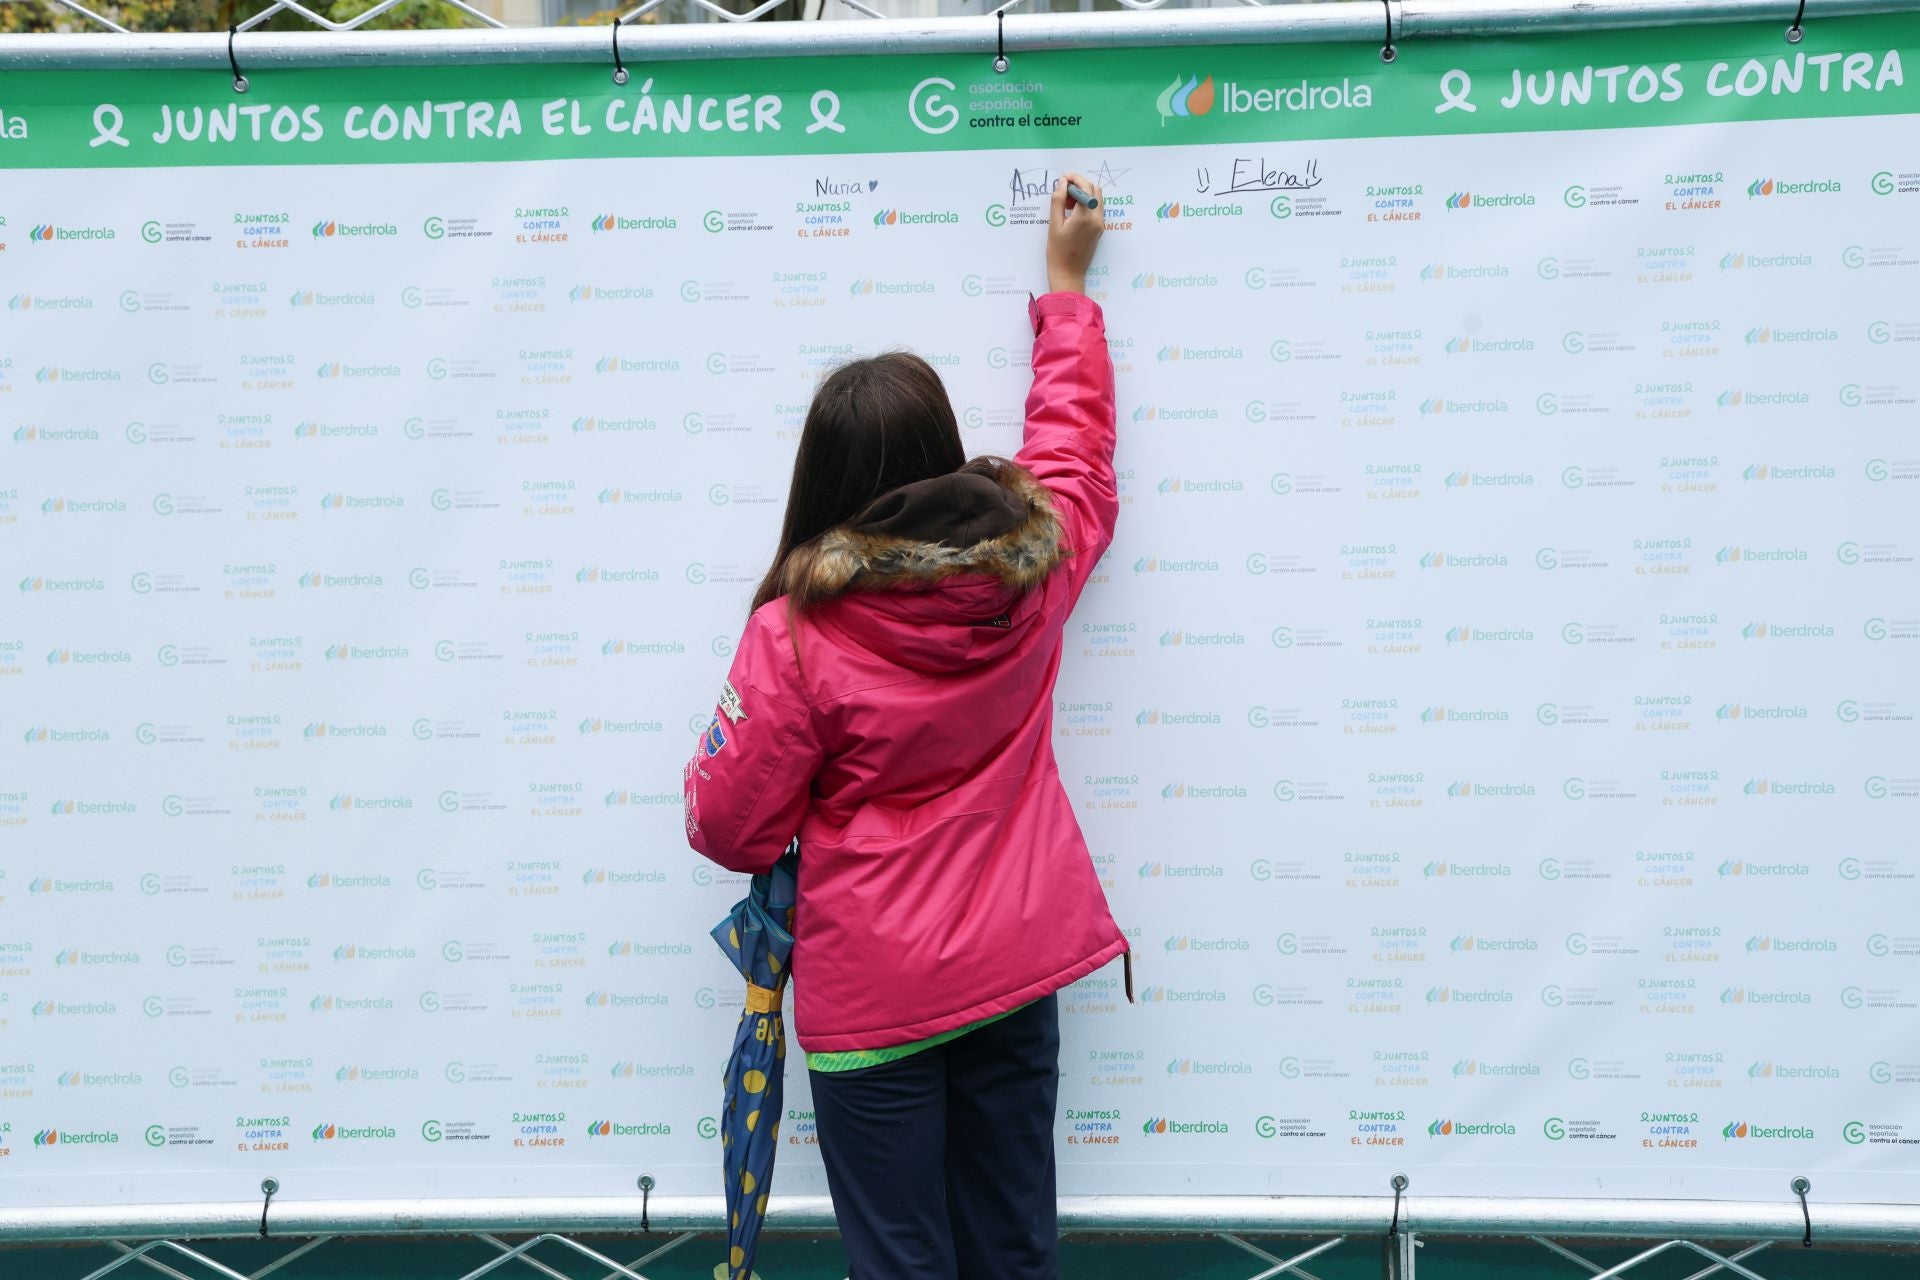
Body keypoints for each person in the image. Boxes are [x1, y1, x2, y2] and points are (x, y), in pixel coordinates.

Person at [683, 171, 1125, 1280]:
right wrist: (1066, 289)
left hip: (877, 1005)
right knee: (1014, 1252)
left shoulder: (796, 634)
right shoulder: (1029, 570)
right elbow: (1073, 461)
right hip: (1017, 974)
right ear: (941, 453)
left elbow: (729, 827)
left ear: (824, 479)